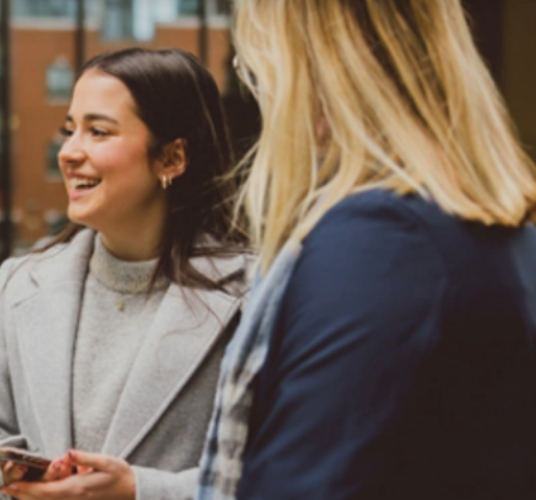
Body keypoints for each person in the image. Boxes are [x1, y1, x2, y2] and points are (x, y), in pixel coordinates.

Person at [196, 1, 536, 499]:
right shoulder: (493, 228)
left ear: (310, 66)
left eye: (256, 67)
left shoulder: (381, 244)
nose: (260, 93)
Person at [0, 48, 250, 500]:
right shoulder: (19, 283)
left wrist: (139, 491)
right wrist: (6, 475)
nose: (69, 152)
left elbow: (277, 473)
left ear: (171, 158)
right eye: (70, 130)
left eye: (99, 131)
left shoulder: (254, 293)